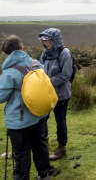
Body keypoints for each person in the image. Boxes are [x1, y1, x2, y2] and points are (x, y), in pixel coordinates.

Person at [0, 35, 61, 179]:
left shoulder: (9, 71)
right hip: (39, 115)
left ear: (7, 53)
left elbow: (1, 96)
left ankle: (22, 177)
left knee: (21, 151)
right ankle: (44, 173)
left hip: (19, 120)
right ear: (22, 48)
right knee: (40, 145)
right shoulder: (36, 64)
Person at [37, 28, 74, 161]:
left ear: (55, 39)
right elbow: (40, 69)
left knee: (60, 121)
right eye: (44, 40)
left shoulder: (65, 53)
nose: (45, 43)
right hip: (46, 93)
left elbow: (65, 76)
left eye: (48, 40)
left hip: (61, 95)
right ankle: (44, 139)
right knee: (42, 117)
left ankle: (61, 147)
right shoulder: (45, 53)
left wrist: (46, 82)